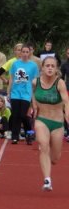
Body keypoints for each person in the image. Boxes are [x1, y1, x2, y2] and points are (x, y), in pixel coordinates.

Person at [31, 57, 69, 191]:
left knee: (55, 159)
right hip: (42, 120)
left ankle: (50, 162)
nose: (50, 68)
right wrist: (34, 105)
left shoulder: (60, 83)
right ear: (42, 67)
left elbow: (66, 102)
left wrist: (68, 117)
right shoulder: (35, 82)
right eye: (47, 65)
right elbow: (33, 94)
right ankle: (47, 180)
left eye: (53, 66)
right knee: (43, 145)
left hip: (57, 123)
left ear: (56, 68)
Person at [8, 43, 38, 144]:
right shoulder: (15, 64)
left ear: (29, 53)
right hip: (15, 93)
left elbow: (35, 83)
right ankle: (14, 136)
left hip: (26, 93)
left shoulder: (33, 65)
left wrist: (34, 98)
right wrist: (8, 92)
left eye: (27, 52)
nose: (25, 54)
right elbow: (11, 78)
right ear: (20, 53)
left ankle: (29, 133)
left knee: (23, 115)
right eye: (23, 52)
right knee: (15, 115)